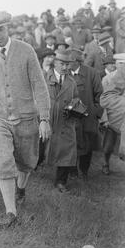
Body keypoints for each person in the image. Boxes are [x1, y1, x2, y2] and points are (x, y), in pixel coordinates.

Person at [0, 11, 51, 228]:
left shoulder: (26, 50)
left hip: (27, 117)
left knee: (27, 162)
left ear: (8, 28)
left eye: (0, 29)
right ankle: (11, 213)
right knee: (3, 162)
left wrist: (44, 118)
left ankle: (21, 187)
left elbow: (40, 86)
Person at [44, 50, 78, 194]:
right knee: (40, 148)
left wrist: (74, 109)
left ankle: (61, 181)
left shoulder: (71, 82)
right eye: (62, 64)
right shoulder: (45, 78)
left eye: (67, 64)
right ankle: (30, 169)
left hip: (65, 122)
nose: (65, 67)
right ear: (55, 63)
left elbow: (76, 100)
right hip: (47, 119)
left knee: (67, 150)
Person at [69, 48, 103, 180]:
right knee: (71, 143)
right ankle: (72, 171)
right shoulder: (64, 73)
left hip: (88, 117)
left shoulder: (91, 73)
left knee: (87, 144)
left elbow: (100, 95)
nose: (65, 64)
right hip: (70, 117)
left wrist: (95, 113)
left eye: (68, 60)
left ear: (76, 61)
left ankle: (84, 171)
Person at [100, 57, 125, 189]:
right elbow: (105, 98)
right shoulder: (109, 78)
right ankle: (105, 163)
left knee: (122, 150)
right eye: (119, 63)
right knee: (108, 145)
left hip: (124, 118)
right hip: (114, 117)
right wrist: (105, 119)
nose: (121, 65)